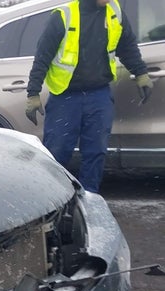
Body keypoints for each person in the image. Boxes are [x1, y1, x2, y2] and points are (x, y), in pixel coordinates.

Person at [25, 0, 153, 193]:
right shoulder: (63, 16)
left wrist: (141, 73)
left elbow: (126, 46)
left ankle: (89, 198)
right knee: (57, 152)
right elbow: (42, 56)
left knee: (96, 152)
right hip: (65, 98)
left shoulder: (114, 11)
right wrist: (33, 93)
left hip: (98, 94)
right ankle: (51, 198)